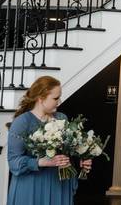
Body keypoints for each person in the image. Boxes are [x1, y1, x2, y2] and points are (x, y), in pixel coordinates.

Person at [7, 75, 92, 205]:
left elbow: (67, 151)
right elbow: (14, 162)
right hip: (31, 188)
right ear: (41, 98)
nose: (59, 102)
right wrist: (41, 162)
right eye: (55, 98)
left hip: (59, 185)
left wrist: (80, 159)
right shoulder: (22, 122)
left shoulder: (62, 118)